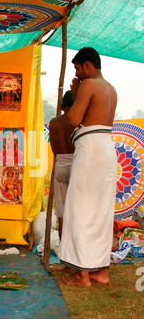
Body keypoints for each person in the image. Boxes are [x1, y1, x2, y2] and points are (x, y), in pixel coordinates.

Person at [59, 47, 117, 287]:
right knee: (102, 211)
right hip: (106, 148)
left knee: (80, 208)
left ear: (88, 65)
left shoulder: (90, 84)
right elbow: (98, 119)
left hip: (90, 149)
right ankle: (101, 271)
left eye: (78, 69)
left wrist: (76, 94)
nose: (78, 74)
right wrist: (77, 92)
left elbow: (73, 119)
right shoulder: (111, 89)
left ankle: (82, 275)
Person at [49, 90, 75, 238]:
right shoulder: (78, 121)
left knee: (61, 211)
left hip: (60, 163)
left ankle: (64, 249)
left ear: (62, 106)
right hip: (76, 163)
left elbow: (54, 150)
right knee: (78, 209)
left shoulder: (54, 122)